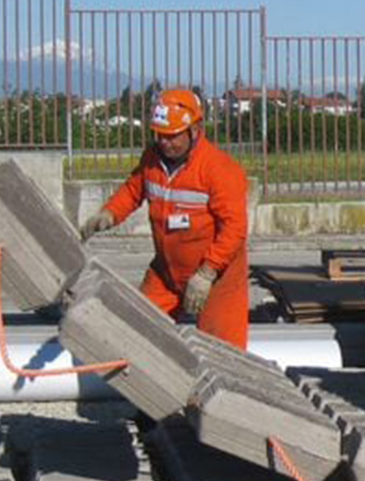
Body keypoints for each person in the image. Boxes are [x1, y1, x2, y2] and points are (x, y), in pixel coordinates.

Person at [81, 88, 251, 348]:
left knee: (222, 351)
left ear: (195, 130)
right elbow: (133, 189)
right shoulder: (152, 159)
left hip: (218, 279)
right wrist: (109, 213)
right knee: (138, 331)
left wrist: (207, 273)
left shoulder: (218, 169)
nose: (165, 143)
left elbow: (235, 229)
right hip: (167, 273)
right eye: (159, 136)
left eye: (172, 136)